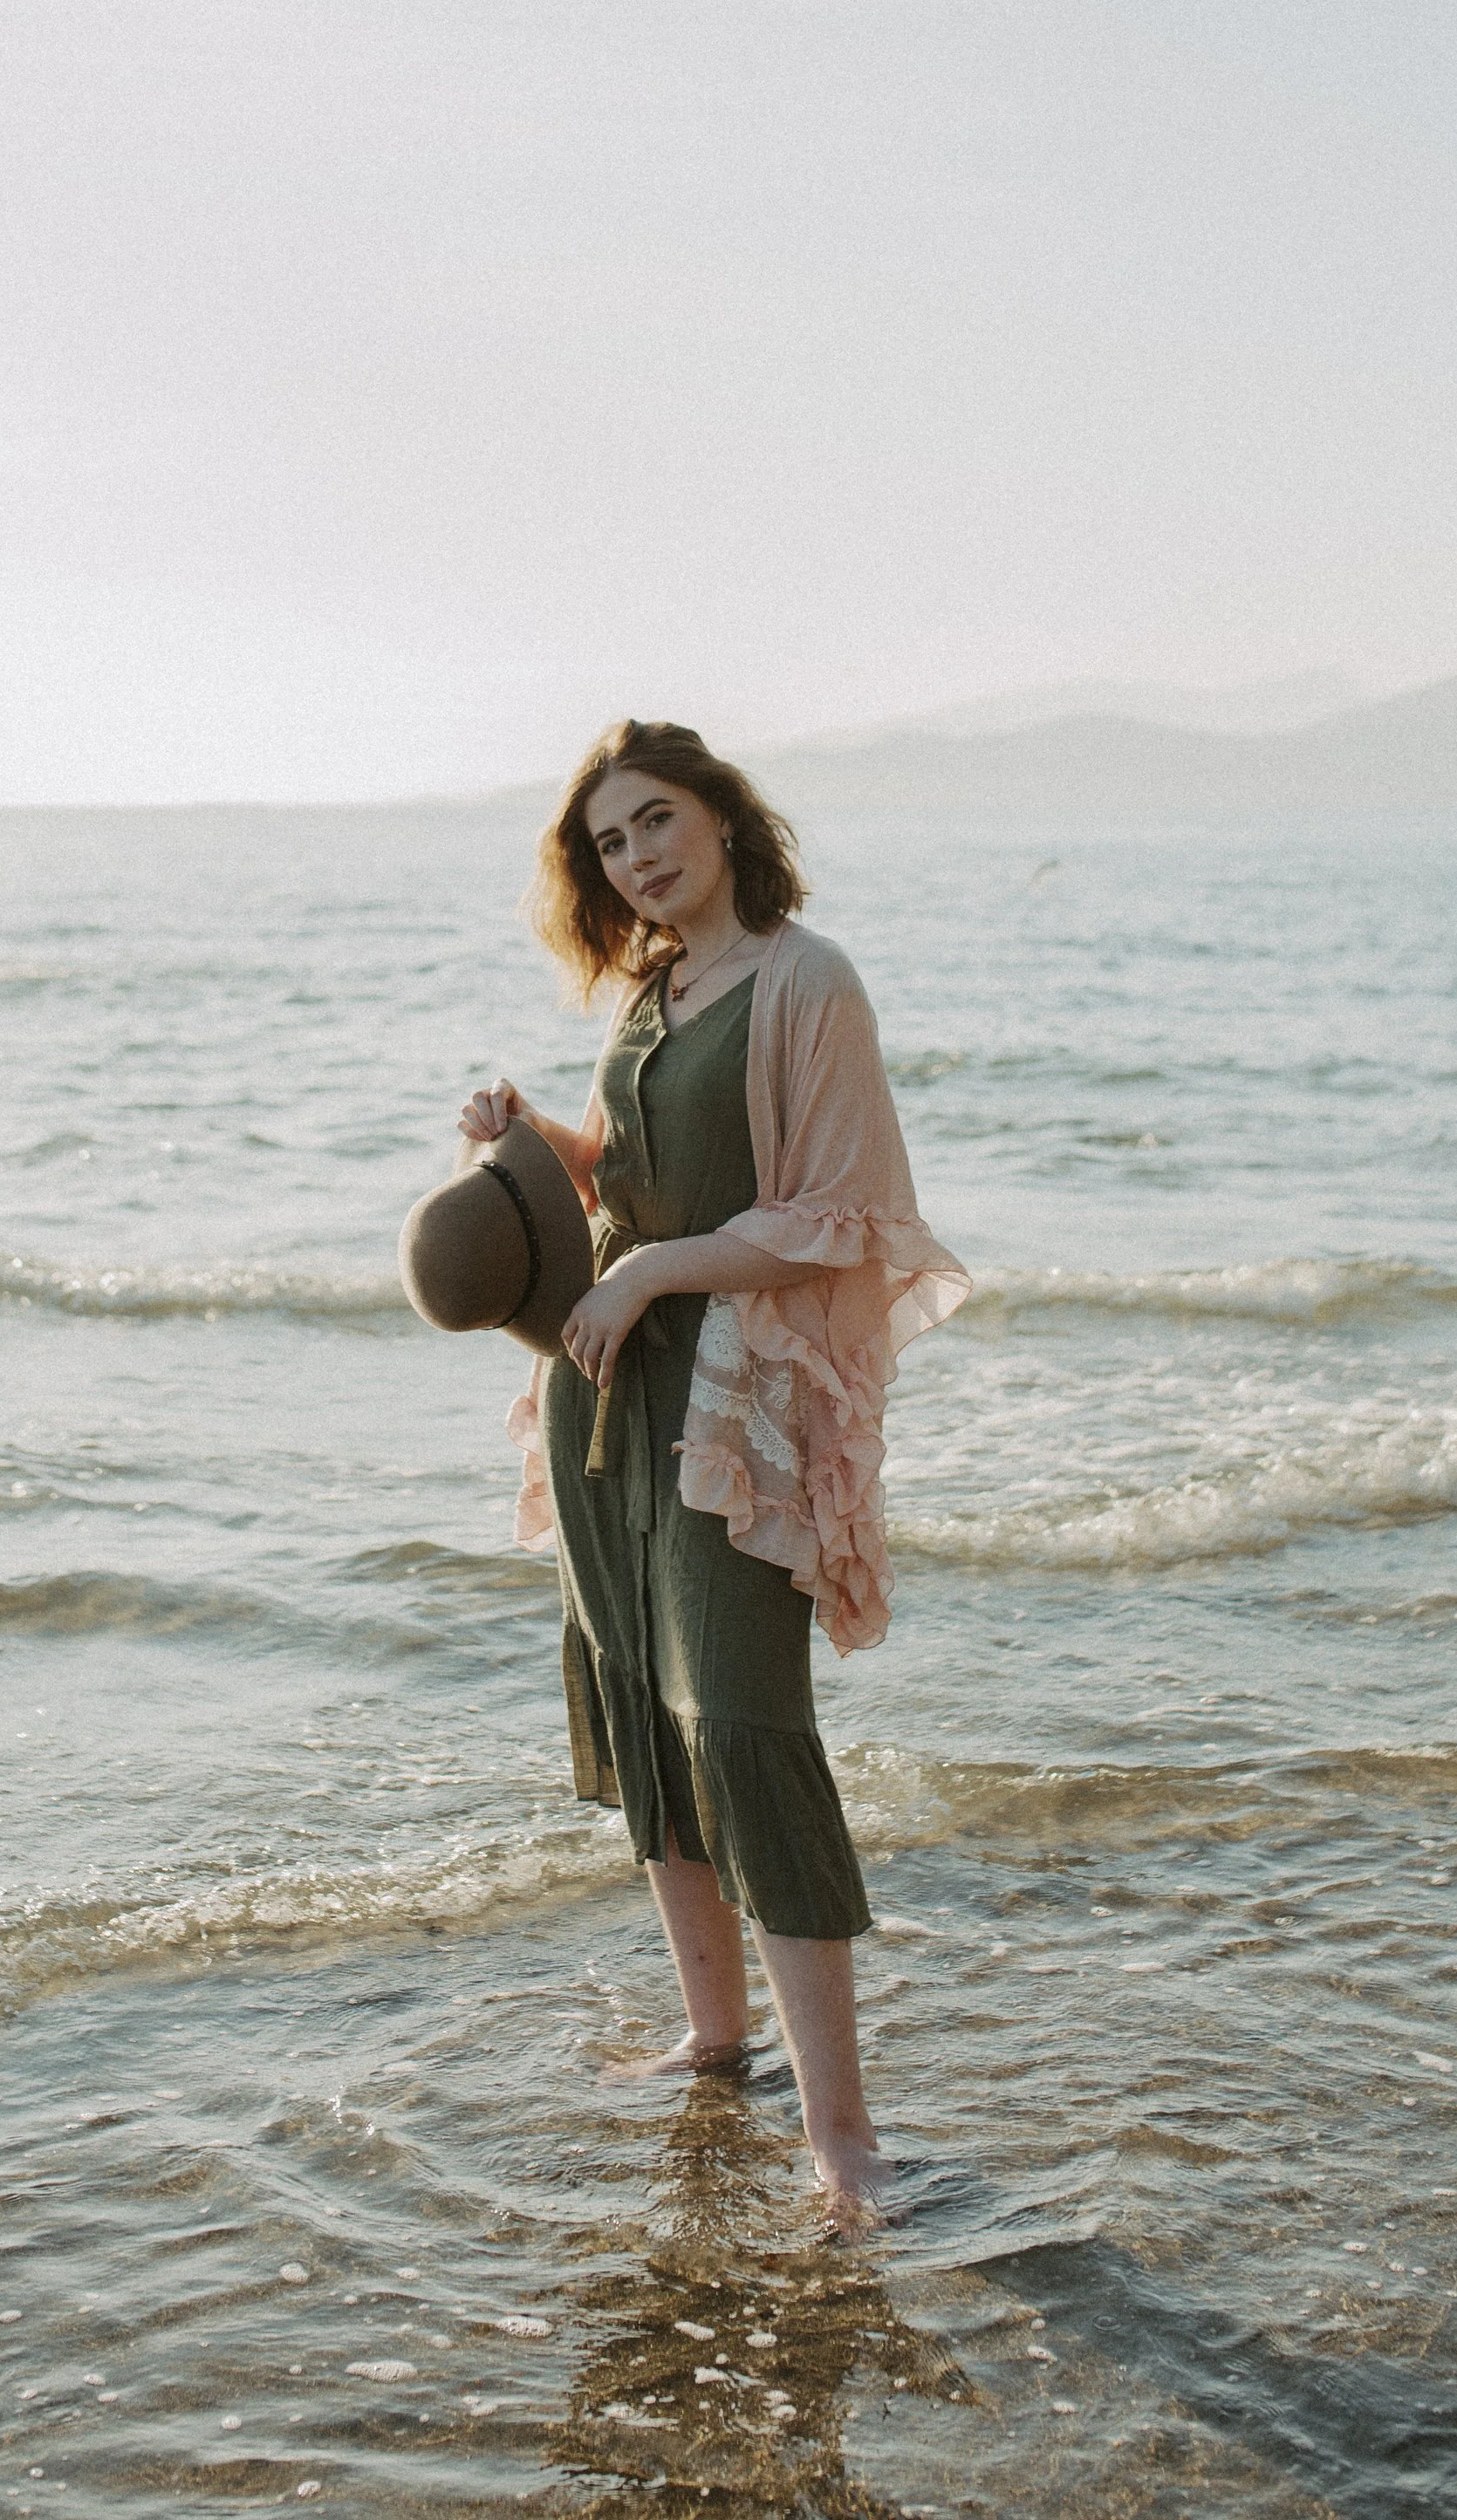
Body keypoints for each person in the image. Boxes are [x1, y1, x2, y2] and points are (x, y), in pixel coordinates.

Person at [458, 718, 968, 2224]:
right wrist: (534, 1141)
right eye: (610, 842)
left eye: (658, 821)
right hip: (604, 1389)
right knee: (644, 1707)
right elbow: (634, 1182)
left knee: (744, 1722)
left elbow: (840, 1213)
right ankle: (713, 2036)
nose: (638, 859)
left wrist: (654, 1271)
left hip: (731, 1400)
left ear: (725, 818)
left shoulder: (809, 982)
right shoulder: (650, 990)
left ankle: (843, 2136)